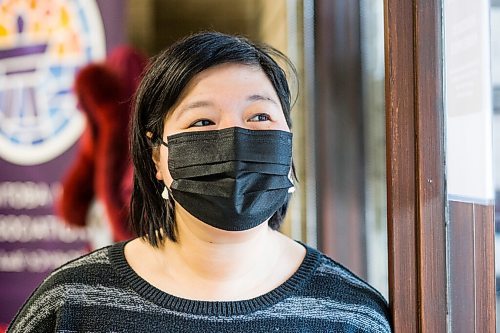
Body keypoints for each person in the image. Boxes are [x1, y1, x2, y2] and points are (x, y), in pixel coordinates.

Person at [8, 32, 391, 333]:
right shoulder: (72, 305)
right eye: (202, 122)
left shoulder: (352, 312)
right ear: (157, 154)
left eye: (259, 116)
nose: (236, 137)